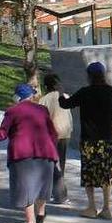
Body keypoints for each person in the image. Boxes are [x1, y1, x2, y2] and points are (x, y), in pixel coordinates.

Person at [0, 84, 59, 223]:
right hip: (45, 150)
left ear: (17, 96)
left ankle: (30, 222)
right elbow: (53, 132)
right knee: (43, 184)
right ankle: (41, 214)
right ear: (31, 96)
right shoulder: (42, 109)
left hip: (21, 152)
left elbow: (1, 135)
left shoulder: (12, 111)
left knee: (26, 186)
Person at [59, 62, 112, 220]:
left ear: (89, 76)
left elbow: (65, 104)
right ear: (103, 75)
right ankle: (107, 208)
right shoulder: (110, 92)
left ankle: (92, 207)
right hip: (107, 139)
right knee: (106, 173)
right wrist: (111, 126)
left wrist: (61, 93)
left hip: (89, 140)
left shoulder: (85, 92)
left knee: (89, 173)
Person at [38, 74, 73, 204]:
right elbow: (68, 115)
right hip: (65, 132)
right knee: (61, 163)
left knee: (51, 163)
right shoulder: (65, 96)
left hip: (51, 134)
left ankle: (57, 192)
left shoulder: (44, 100)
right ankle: (59, 190)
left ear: (46, 85)